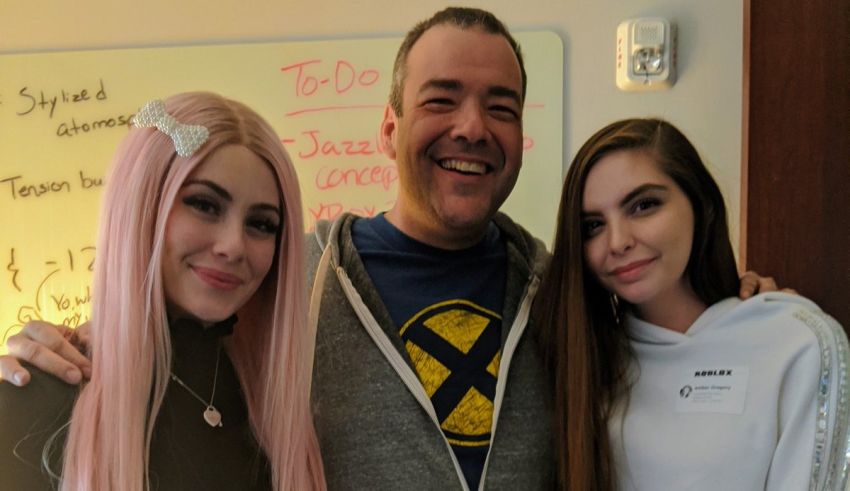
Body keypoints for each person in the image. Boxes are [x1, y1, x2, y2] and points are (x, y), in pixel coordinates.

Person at [0, 9, 779, 491]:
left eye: (499, 107)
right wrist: (60, 346)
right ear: (390, 128)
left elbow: (667, 359)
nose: (471, 126)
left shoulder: (564, 294)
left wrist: (728, 308)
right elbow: (162, 340)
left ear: (518, 137)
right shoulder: (286, 284)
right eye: (441, 99)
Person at [0, 92, 325, 489]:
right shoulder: (40, 397)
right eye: (205, 205)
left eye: (261, 224)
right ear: (142, 206)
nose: (234, 246)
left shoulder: (275, 406)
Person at [534, 118, 850, 490]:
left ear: (700, 204)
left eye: (643, 205)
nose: (617, 242)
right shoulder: (580, 360)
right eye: (593, 226)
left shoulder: (797, 344)